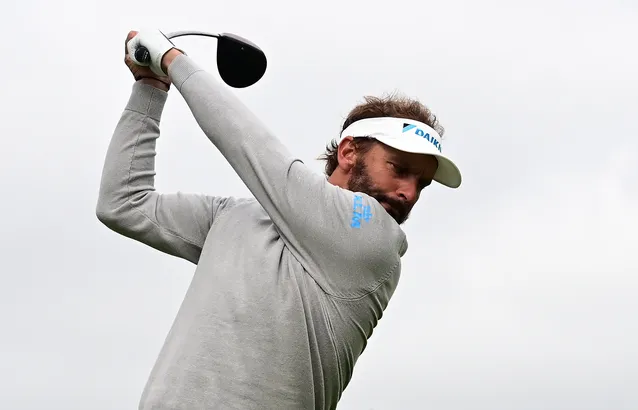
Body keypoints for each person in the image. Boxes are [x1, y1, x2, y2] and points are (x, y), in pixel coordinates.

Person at [96, 29, 462, 410]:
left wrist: (172, 60)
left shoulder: (375, 240)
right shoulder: (236, 217)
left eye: (421, 183)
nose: (410, 193)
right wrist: (150, 88)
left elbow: (252, 147)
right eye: (399, 169)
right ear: (349, 152)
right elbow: (123, 202)